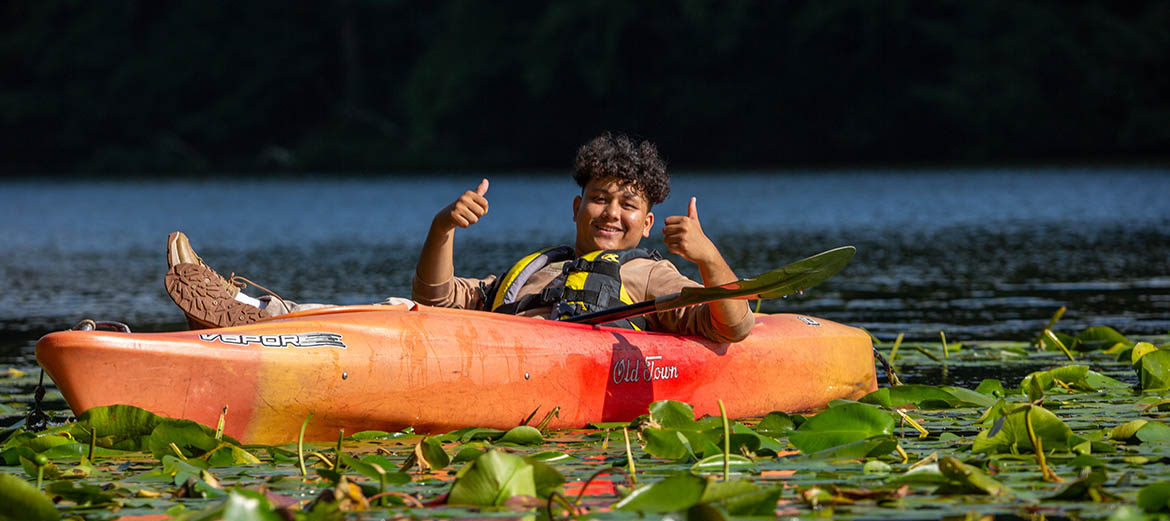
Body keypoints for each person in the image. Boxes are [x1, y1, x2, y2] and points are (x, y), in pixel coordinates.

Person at [165, 132, 753, 342]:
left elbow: (735, 326)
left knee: (398, 314)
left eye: (630, 205)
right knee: (402, 309)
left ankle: (245, 311)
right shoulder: (537, 269)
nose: (612, 213)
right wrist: (441, 226)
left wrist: (706, 256)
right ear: (578, 206)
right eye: (601, 198)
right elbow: (438, 298)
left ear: (647, 223)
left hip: (543, 357)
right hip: (482, 343)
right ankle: (247, 312)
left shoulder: (651, 275)